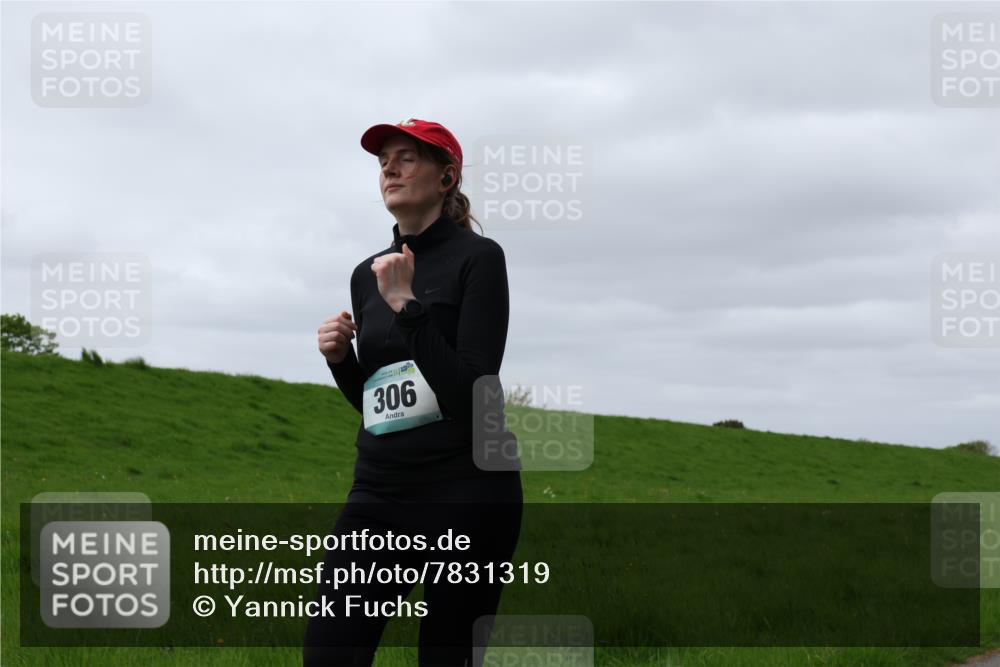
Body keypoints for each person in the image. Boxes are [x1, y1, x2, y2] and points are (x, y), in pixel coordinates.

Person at [303, 118, 523, 666]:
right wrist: (340, 362)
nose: (389, 169)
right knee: (329, 654)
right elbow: (382, 405)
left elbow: (472, 394)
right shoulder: (367, 274)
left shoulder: (480, 259)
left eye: (406, 158)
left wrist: (407, 306)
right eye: (383, 161)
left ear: (446, 177)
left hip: (469, 490)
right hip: (381, 493)